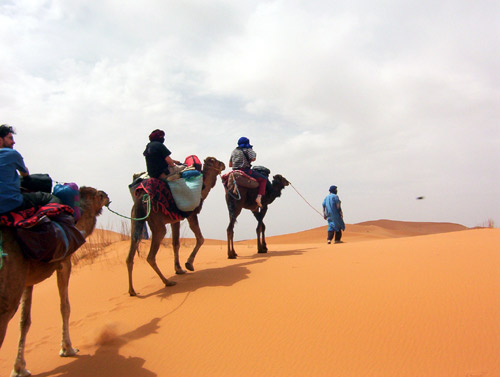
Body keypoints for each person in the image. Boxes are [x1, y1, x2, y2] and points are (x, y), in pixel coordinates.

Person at [0, 124, 56, 214]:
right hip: (11, 203)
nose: (13, 142)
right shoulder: (12, 153)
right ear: (0, 140)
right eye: (10, 138)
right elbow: (25, 174)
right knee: (49, 197)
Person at [229, 136, 266, 207]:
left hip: (234, 171)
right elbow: (253, 158)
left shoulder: (234, 151)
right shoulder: (247, 149)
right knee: (263, 179)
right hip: (244, 170)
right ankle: (259, 198)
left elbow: (230, 165)